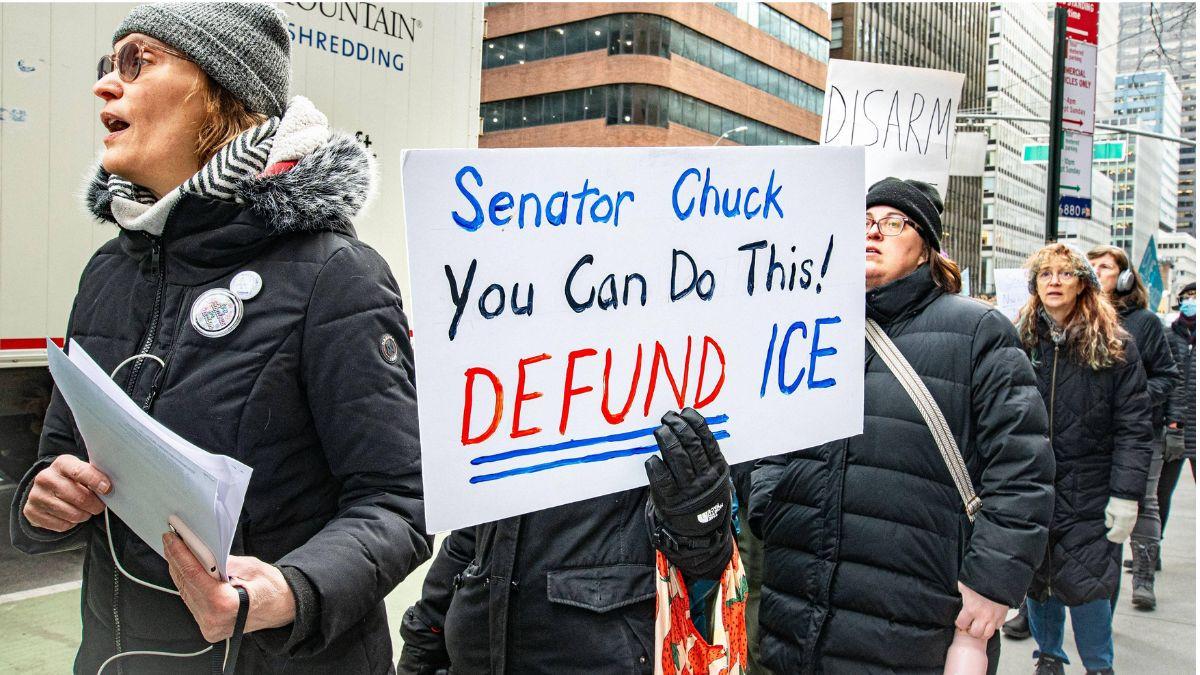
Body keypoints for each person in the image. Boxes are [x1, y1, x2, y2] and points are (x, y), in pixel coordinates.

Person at [9, 4, 429, 672]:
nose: (104, 85)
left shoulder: (332, 275)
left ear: (218, 94)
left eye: (136, 61)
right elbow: (61, 455)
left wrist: (290, 590)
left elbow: (399, 503)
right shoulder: (109, 270)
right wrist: (43, 500)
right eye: (107, 64)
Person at [748, 177, 1055, 673]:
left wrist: (992, 585)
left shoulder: (978, 332)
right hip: (800, 612)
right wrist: (772, 504)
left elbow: (1022, 474)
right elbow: (770, 439)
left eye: (893, 223)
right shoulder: (807, 325)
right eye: (864, 222)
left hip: (914, 621)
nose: (873, 233)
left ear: (924, 250)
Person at [397, 408, 736, 674]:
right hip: (477, 657)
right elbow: (468, 540)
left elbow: (706, 566)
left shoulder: (652, 394)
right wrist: (422, 644)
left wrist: (703, 516)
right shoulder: (512, 386)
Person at [1015, 243, 1154, 675]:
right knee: (1038, 581)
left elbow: (1134, 424)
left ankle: (1099, 666)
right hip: (1033, 484)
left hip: (1091, 489)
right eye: (1045, 274)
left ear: (1083, 285)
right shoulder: (1017, 341)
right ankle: (1049, 656)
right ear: (1035, 286)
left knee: (1090, 584)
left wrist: (1126, 495)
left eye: (1065, 273)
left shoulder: (1115, 345)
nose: (1054, 281)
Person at [1087, 245, 1178, 610]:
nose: (1095, 271)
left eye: (1105, 266)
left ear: (1124, 278)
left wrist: (1132, 399)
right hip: (1091, 434)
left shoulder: (1144, 323)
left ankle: (1143, 575)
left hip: (1140, 433)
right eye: (1090, 265)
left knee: (1144, 502)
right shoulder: (1074, 318)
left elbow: (1166, 377)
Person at [1158, 282, 1196, 541]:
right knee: (1160, 492)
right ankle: (1152, 551)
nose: (1191, 301)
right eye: (1188, 296)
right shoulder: (1169, 336)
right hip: (1175, 427)